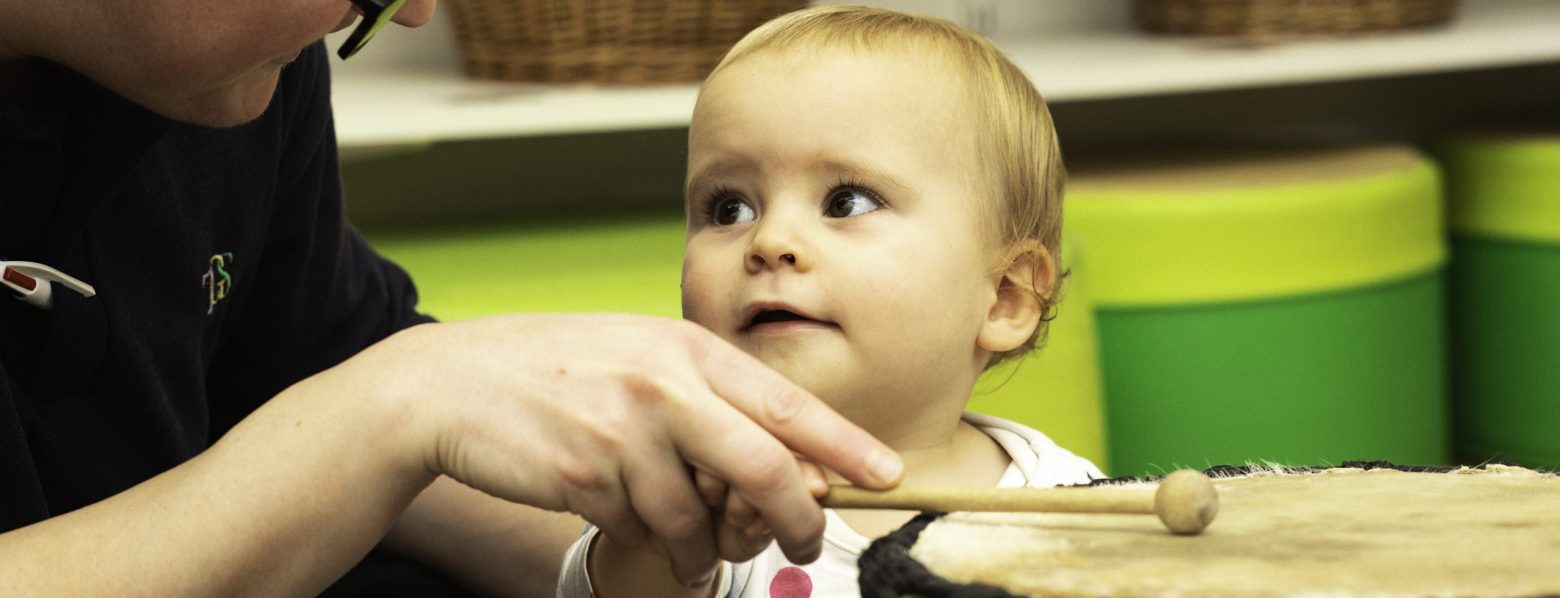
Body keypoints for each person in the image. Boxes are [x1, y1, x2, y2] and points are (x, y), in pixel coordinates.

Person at [0, 1, 906, 595]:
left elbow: (311, 381)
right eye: (727, 208)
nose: (418, 11)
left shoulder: (236, 84)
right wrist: (398, 407)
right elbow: (368, 417)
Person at [558, 5, 1103, 597]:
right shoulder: (708, 496)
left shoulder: (1077, 504)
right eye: (729, 208)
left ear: (1003, 298)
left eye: (846, 202)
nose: (769, 242)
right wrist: (675, 537)